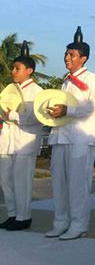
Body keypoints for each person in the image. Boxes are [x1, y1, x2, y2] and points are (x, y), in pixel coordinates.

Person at [45, 26, 95, 240]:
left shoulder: (93, 79)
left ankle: (79, 224)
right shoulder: (65, 81)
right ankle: (60, 222)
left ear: (83, 58)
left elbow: (94, 107)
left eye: (72, 55)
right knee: (59, 182)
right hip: (61, 136)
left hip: (81, 137)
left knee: (78, 183)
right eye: (66, 54)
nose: (67, 58)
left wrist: (68, 110)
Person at [0, 41, 44, 231]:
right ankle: (12, 213)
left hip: (25, 141)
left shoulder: (37, 92)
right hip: (7, 139)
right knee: (5, 179)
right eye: (14, 68)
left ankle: (23, 216)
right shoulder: (9, 91)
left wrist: (14, 115)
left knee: (22, 181)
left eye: (18, 68)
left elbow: (38, 117)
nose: (14, 72)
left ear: (29, 70)